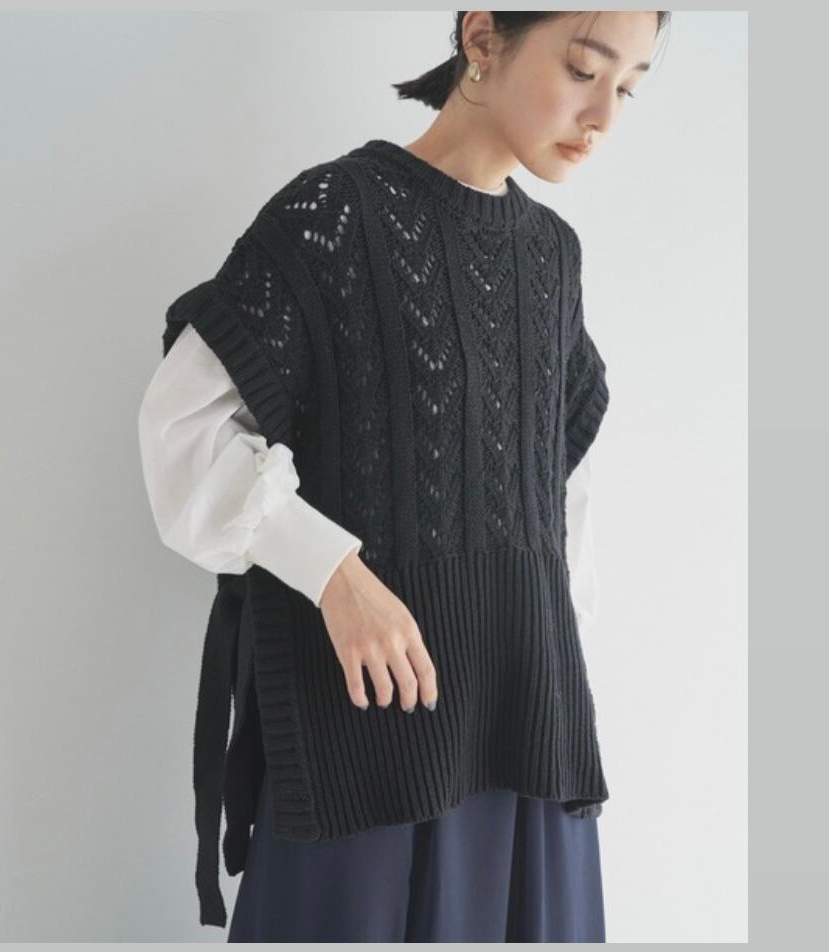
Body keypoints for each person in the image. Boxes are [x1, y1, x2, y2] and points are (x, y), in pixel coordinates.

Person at [138, 10, 669, 942]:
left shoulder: (553, 257)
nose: (604, 119)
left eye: (627, 88)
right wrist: (334, 575)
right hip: (368, 751)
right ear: (482, 38)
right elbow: (182, 436)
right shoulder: (333, 216)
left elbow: (559, 499)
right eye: (585, 70)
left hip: (525, 746)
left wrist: (556, 681)